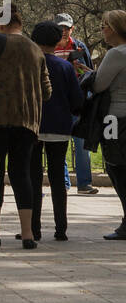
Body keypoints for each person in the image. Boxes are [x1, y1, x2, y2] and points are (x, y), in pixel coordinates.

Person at [0, 4, 53, 250]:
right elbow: (47, 91)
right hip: (27, 121)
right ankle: (27, 234)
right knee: (21, 174)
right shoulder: (35, 49)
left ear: (0, 24)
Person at [28, 21, 84, 242]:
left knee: (33, 177)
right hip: (60, 127)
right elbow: (77, 100)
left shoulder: (29, 65)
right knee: (58, 179)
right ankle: (61, 228)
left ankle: (33, 228)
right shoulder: (65, 67)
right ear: (57, 41)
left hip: (32, 127)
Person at [54, 14, 97, 195]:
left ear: (72, 29)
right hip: (56, 102)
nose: (64, 32)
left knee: (81, 145)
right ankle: (63, 183)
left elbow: (91, 74)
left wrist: (80, 69)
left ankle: (84, 184)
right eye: (60, 28)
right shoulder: (49, 48)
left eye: (67, 28)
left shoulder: (80, 47)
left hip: (78, 101)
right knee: (59, 144)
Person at [94, 10, 126, 240]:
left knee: (116, 167)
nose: (102, 30)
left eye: (104, 26)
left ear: (114, 28)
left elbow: (98, 85)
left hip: (114, 118)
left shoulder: (116, 54)